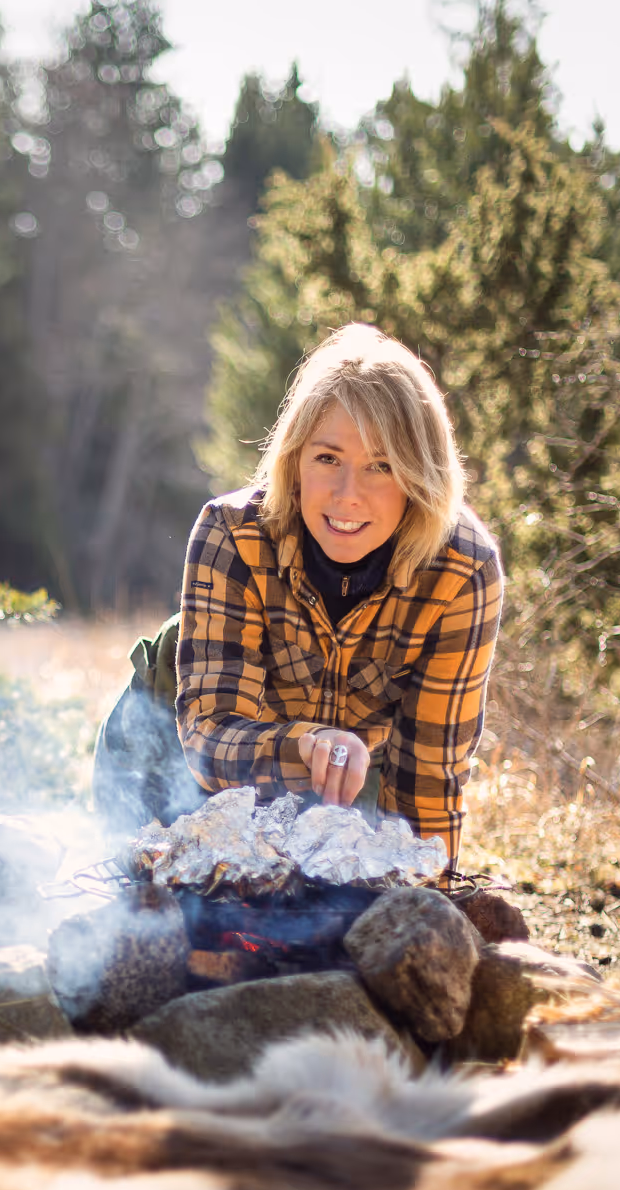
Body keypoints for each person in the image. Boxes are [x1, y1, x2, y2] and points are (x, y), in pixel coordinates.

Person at [173, 322, 503, 867]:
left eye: (381, 466)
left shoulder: (462, 570)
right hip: (187, 758)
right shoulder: (232, 534)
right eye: (328, 458)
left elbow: (427, 780)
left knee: (365, 879)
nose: (348, 495)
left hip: (351, 779)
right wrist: (307, 744)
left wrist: (425, 904)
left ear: (420, 477)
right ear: (295, 460)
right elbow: (210, 736)